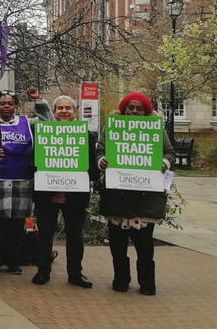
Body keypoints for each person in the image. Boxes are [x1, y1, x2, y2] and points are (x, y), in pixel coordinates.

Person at [96, 92, 174, 296]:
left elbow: (169, 153)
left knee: (144, 245)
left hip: (144, 197)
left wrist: (164, 163)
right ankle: (121, 279)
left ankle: (147, 283)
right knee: (117, 244)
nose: (134, 111)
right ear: (124, 109)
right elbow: (100, 150)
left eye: (139, 108)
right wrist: (101, 160)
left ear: (146, 111)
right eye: (131, 107)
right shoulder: (112, 127)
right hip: (118, 196)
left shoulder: (156, 129)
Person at [33, 95, 99, 288]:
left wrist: (91, 170)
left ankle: (75, 274)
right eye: (59, 108)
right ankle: (42, 271)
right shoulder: (41, 133)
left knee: (75, 235)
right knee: (45, 234)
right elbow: (33, 162)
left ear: (75, 112)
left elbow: (93, 170)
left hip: (75, 196)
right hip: (47, 193)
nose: (63, 111)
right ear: (53, 112)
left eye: (68, 108)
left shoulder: (87, 136)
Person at [0, 89, 52, 276]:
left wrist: (39, 101)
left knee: (17, 224)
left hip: (22, 178)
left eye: (10, 103)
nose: (6, 106)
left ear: (15, 105)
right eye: (2, 103)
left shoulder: (27, 123)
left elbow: (49, 124)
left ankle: (13, 262)